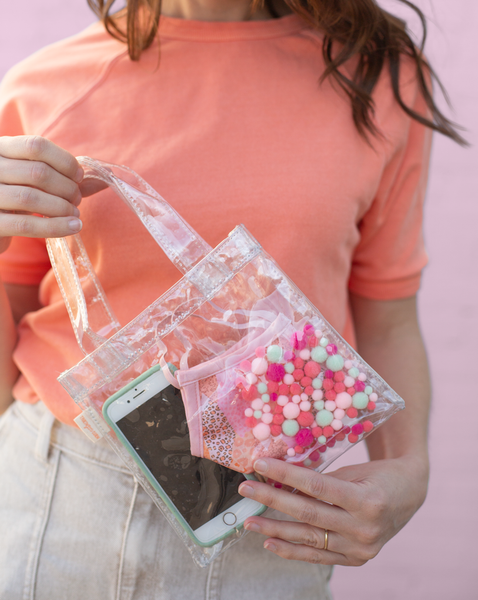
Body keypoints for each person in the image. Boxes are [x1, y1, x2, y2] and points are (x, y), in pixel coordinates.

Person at [0, 0, 464, 598]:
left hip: (272, 516)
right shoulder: (43, 91)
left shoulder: (377, 77)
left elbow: (389, 311)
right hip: (66, 505)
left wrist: (409, 472)